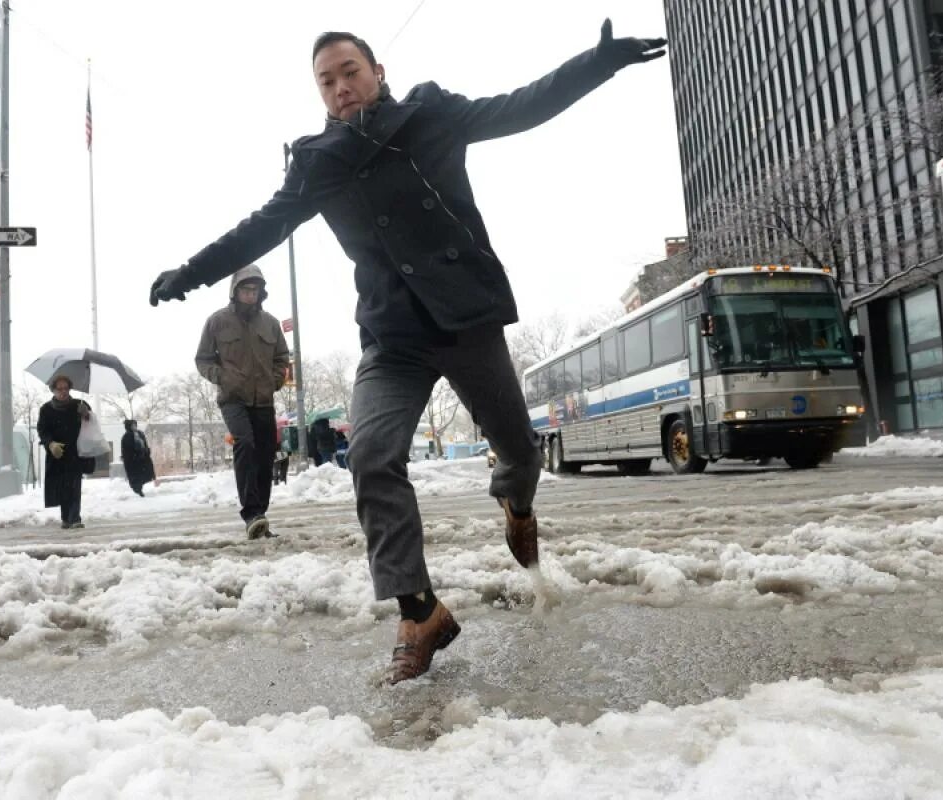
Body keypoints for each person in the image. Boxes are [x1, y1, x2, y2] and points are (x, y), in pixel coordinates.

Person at [149, 21, 667, 683]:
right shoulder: (318, 162)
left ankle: (517, 505)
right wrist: (189, 273)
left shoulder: (432, 116)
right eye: (327, 81)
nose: (341, 88)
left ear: (377, 71)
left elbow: (521, 106)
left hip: (465, 320)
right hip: (393, 335)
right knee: (371, 453)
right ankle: (419, 610)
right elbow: (261, 226)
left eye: (349, 71)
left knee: (520, 451)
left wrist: (597, 64)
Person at [194, 264, 289, 539]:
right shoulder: (217, 321)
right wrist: (222, 377)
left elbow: (282, 357)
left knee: (265, 453)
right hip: (233, 397)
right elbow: (203, 359)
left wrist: (276, 380)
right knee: (245, 443)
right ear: (235, 291)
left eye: (256, 290)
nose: (251, 295)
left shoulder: (270, 323)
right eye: (246, 290)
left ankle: (260, 514)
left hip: (263, 398)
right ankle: (251, 512)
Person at [37, 375, 93, 529]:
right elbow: (42, 430)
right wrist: (50, 444)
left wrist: (86, 414)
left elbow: (91, 426)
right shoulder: (46, 409)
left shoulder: (79, 405)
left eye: (65, 388)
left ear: (70, 389)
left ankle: (75, 518)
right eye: (59, 389)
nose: (63, 391)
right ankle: (66, 518)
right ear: (53, 390)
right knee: (62, 487)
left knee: (74, 485)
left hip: (75, 453)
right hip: (57, 454)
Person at [121, 419, 158, 497]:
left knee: (147, 472)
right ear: (128, 427)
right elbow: (127, 450)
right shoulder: (126, 437)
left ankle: (140, 486)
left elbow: (145, 443)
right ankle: (138, 490)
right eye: (132, 425)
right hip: (133, 460)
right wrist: (134, 455)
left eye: (135, 425)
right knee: (136, 476)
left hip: (143, 457)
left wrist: (147, 450)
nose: (134, 427)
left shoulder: (140, 433)